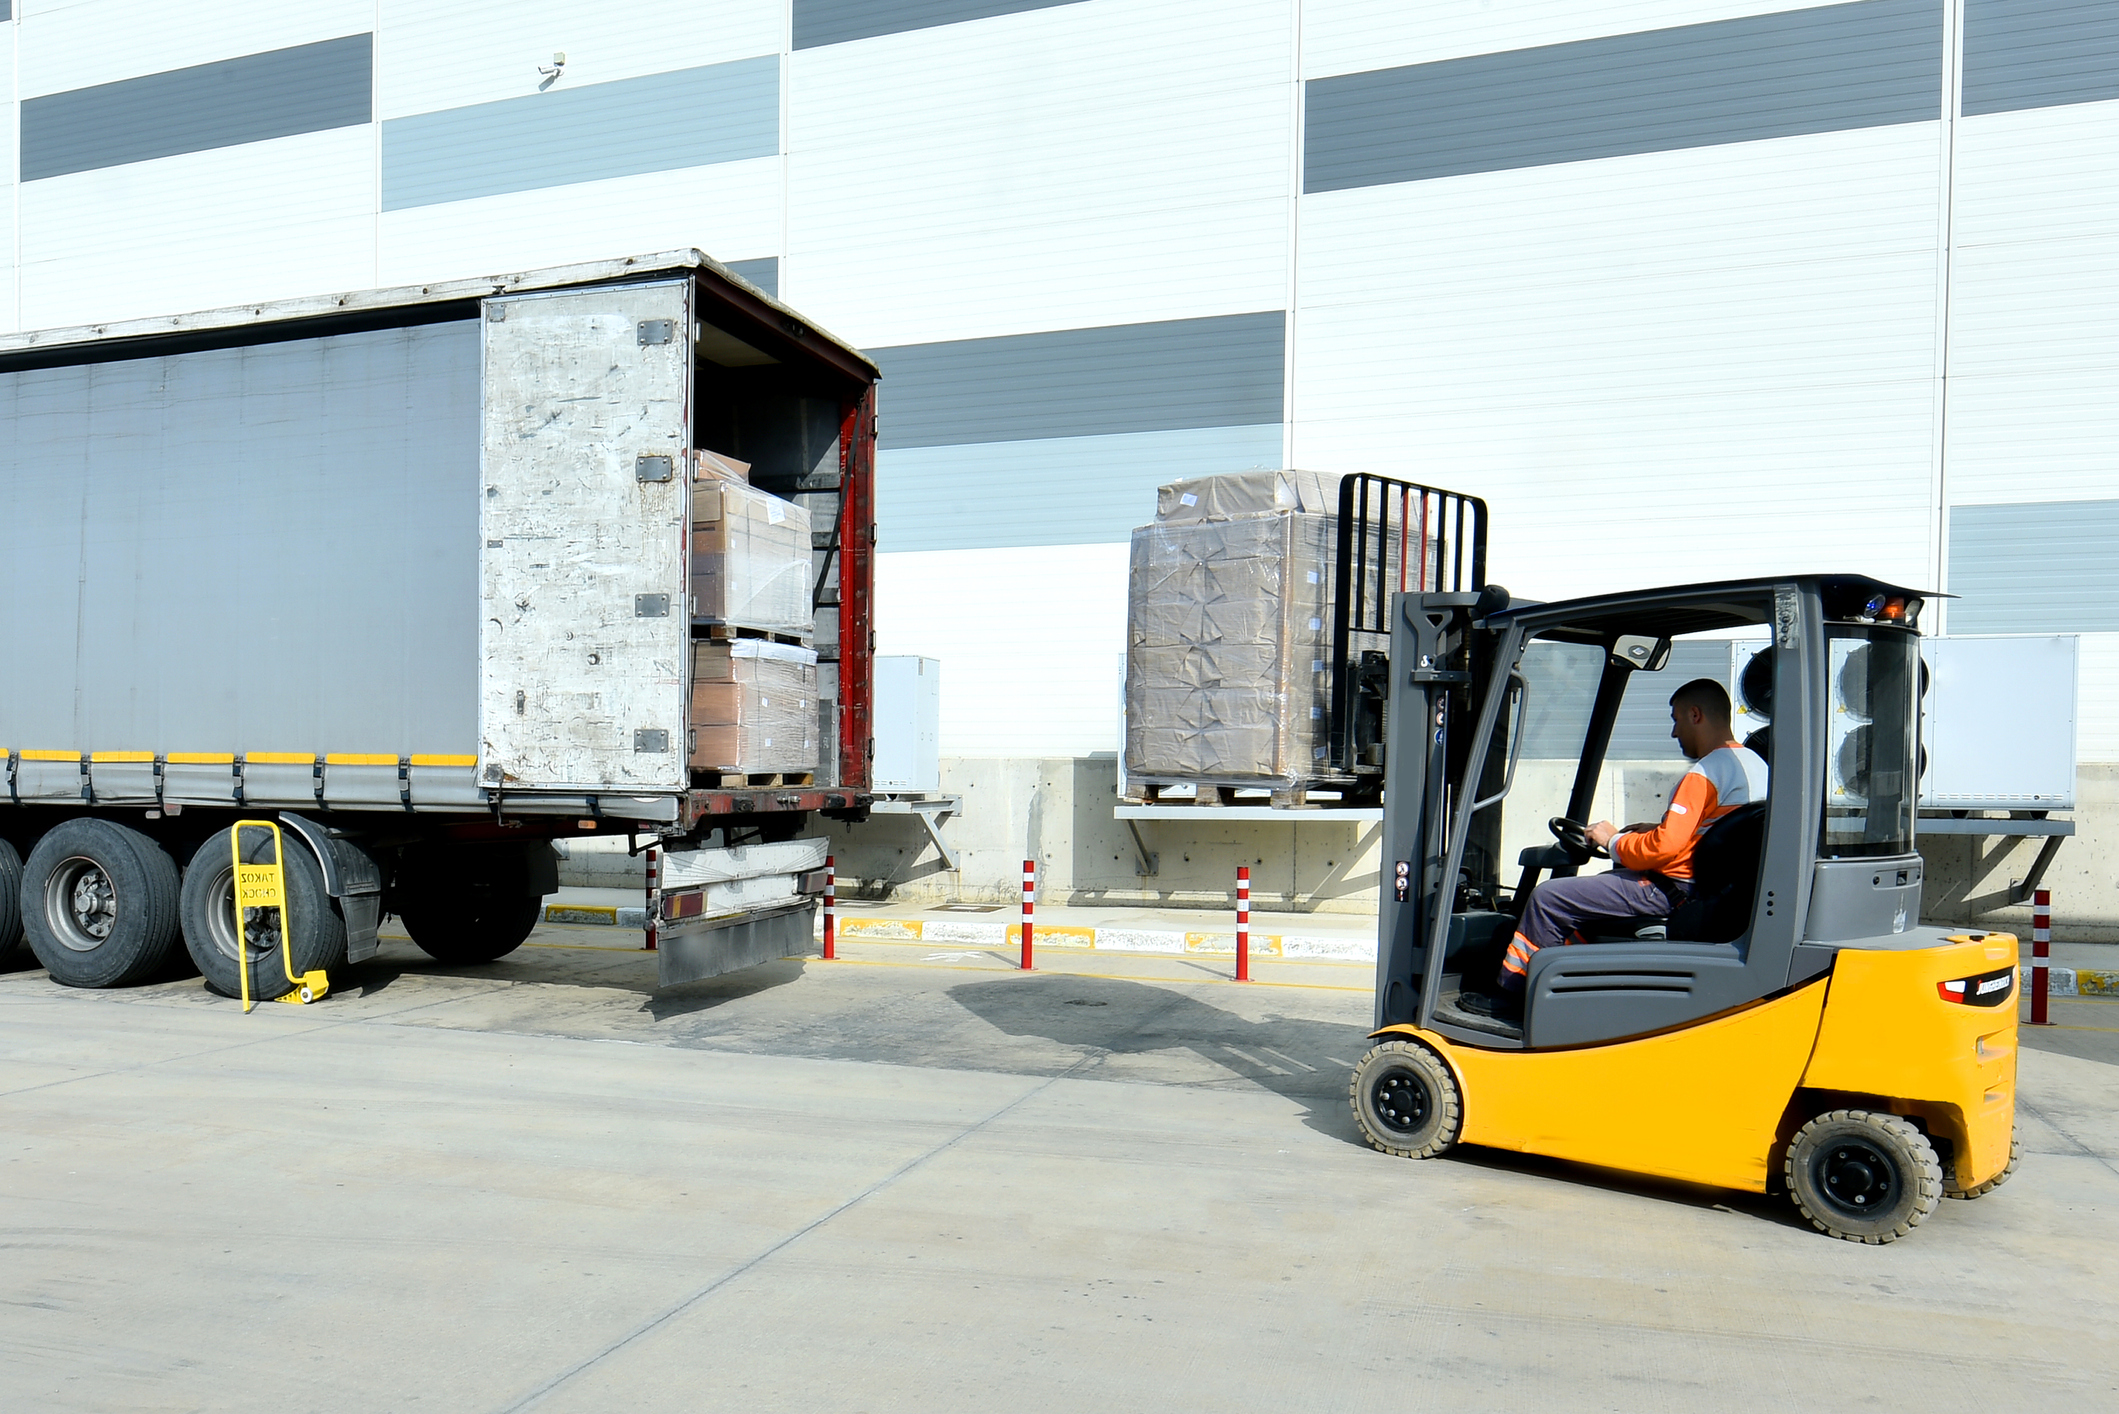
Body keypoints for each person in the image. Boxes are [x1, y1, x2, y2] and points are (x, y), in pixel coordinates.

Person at [1459, 677, 1769, 1026]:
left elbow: (1663, 849)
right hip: (1712, 889)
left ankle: (1513, 997)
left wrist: (1610, 840)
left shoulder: (1706, 772)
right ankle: (1569, 988)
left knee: (1549, 898)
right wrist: (1649, 829)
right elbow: (1714, 833)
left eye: (1676, 720)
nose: (1674, 732)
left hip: (1672, 890)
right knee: (1589, 896)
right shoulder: (1756, 766)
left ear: (1695, 715)